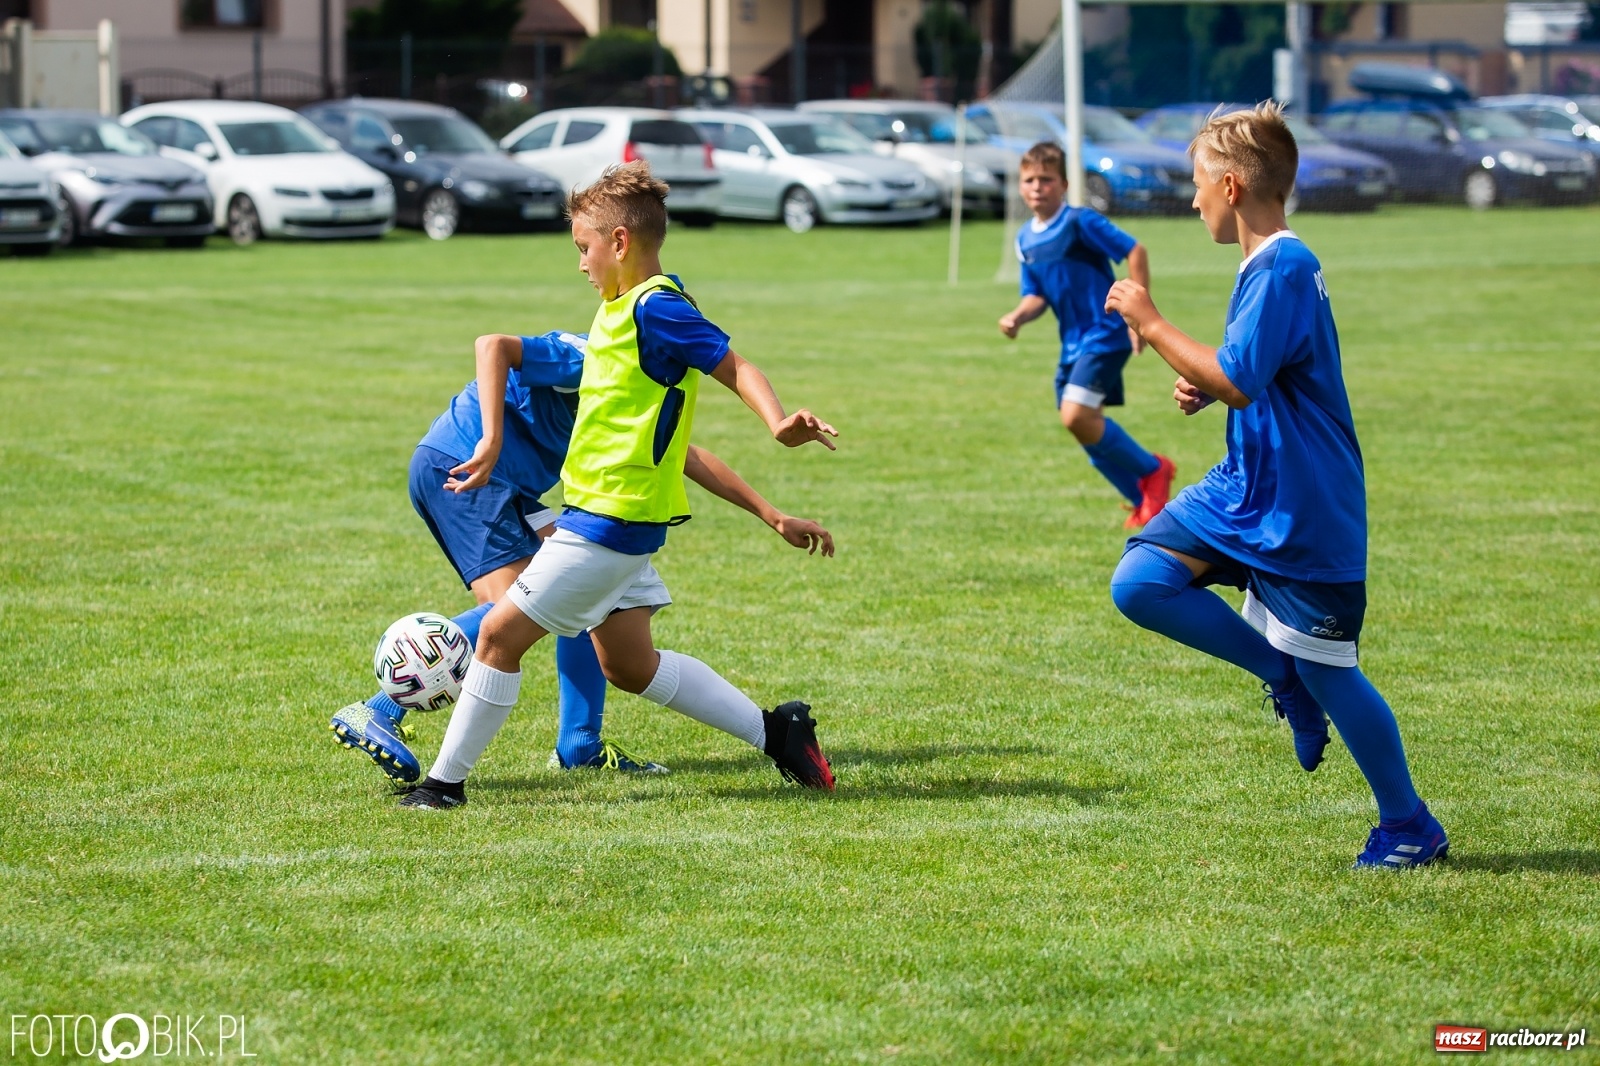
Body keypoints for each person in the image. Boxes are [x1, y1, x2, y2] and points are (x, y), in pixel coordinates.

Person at [397, 161, 840, 810]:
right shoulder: (622, 311)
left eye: (585, 247)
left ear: (621, 243)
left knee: (499, 637)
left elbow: (733, 363)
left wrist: (777, 421)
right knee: (629, 666)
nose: (581, 263)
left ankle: (442, 787)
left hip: (608, 525)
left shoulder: (658, 309)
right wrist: (772, 516)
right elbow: (682, 449)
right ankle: (779, 733)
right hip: (603, 519)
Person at [1104, 103, 1447, 869]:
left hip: (1303, 509)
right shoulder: (1264, 265)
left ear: (1230, 186)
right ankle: (1279, 673)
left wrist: (1153, 323)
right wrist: (1205, 384)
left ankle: (1409, 825)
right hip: (1243, 490)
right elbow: (1246, 373)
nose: (1192, 201)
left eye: (1197, 185)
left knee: (1338, 676)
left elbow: (1240, 373)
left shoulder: (1285, 265)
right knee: (1140, 582)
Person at [331, 329, 834, 786]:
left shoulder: (639, 391)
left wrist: (774, 517)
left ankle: (580, 745)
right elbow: (493, 347)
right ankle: (378, 709)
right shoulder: (590, 357)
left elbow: (686, 456)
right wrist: (490, 439)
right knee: (519, 609)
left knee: (578, 595)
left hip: (514, 490)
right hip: (465, 467)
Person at [998, 141, 1175, 528]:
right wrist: (1017, 317)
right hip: (1073, 344)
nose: (1037, 187)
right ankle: (1143, 501)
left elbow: (1135, 251)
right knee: (1084, 429)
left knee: (1075, 415)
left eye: (1046, 179)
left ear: (1063, 184)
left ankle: (1155, 470)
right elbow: (1036, 295)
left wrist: (1140, 318)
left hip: (1106, 332)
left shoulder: (1079, 222)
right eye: (1029, 180)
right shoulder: (1025, 239)